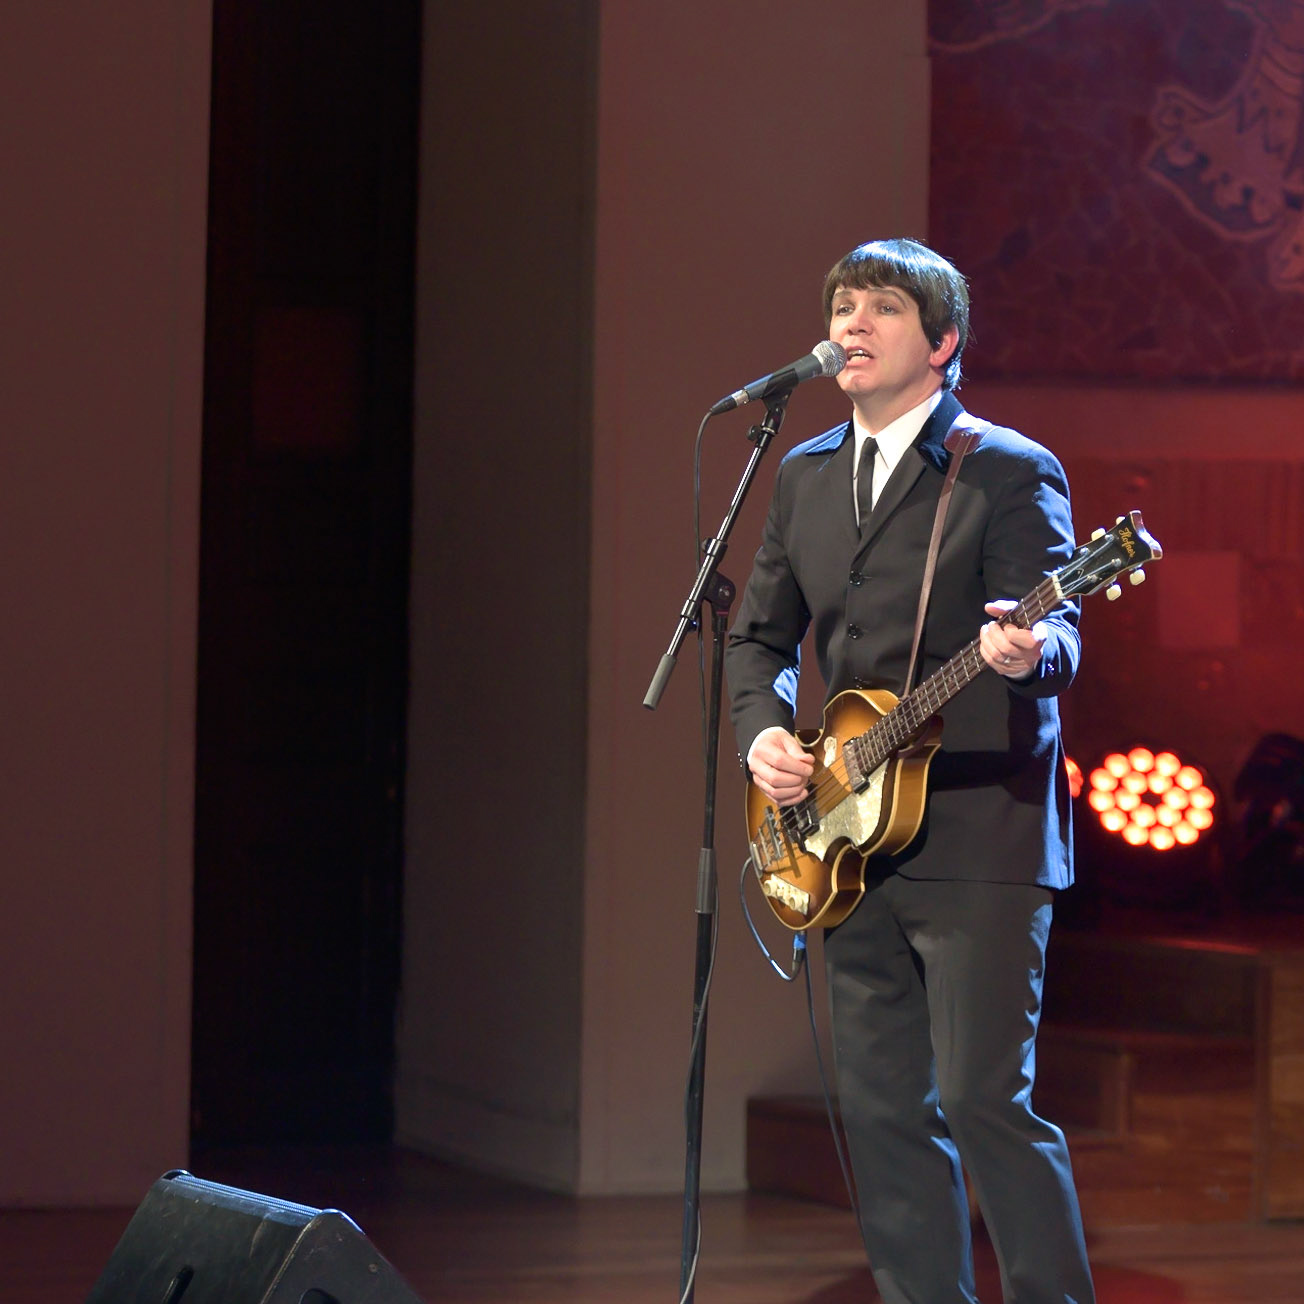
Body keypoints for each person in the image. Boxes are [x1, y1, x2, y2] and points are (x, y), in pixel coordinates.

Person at [725, 238, 1095, 1304]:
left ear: (941, 342)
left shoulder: (1004, 467)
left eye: (881, 306)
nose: (852, 323)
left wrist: (1028, 652)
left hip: (982, 832)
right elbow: (759, 640)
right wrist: (764, 733)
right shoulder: (802, 475)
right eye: (842, 304)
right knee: (884, 1112)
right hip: (848, 839)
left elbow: (1059, 634)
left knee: (983, 1100)